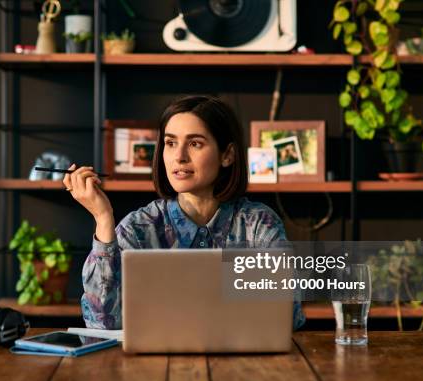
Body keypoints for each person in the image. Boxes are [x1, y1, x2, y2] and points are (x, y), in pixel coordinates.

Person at [63, 95, 305, 331]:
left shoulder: (259, 225)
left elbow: (287, 314)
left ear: (227, 155)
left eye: (195, 143)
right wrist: (103, 219)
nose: (179, 157)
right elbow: (102, 321)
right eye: (170, 143)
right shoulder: (138, 228)